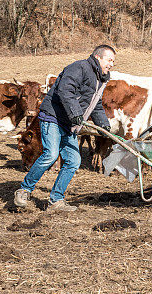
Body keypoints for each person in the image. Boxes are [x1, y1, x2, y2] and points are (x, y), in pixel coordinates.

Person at [14, 45, 115, 211]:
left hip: (69, 124)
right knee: (51, 154)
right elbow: (65, 90)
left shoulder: (100, 79)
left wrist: (103, 123)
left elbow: (95, 105)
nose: (111, 64)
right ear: (98, 57)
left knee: (74, 161)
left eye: (113, 62)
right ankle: (24, 190)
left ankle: (56, 200)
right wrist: (75, 113)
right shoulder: (79, 67)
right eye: (109, 60)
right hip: (53, 117)